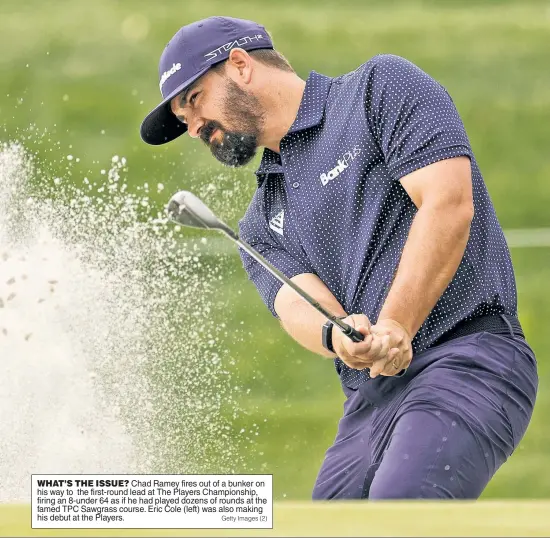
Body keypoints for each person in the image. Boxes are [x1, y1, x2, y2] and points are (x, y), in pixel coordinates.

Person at [140, 16, 538, 499]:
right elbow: (297, 303)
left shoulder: (377, 91)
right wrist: (338, 336)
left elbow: (448, 204)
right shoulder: (260, 220)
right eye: (184, 120)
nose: (194, 128)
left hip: (469, 358)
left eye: (194, 100)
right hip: (371, 400)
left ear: (240, 66)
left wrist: (396, 324)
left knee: (400, 509)